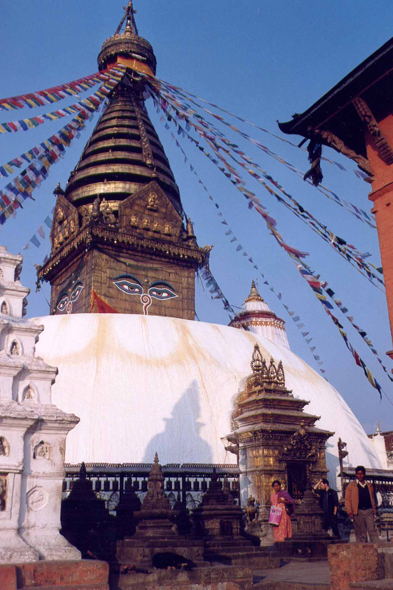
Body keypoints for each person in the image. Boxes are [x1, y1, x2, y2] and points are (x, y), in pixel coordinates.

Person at [345, 465, 379, 543]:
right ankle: (362, 550)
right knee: (361, 532)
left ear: (364, 474)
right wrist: (349, 511)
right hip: (358, 511)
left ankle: (378, 548)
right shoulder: (351, 486)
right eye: (358, 474)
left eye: (361, 474)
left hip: (369, 510)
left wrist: (374, 509)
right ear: (356, 475)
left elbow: (372, 498)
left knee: (372, 530)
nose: (360, 475)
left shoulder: (369, 485)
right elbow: (347, 499)